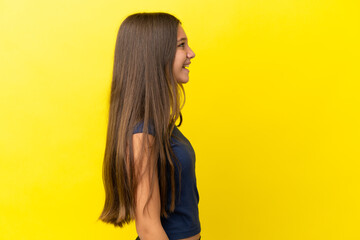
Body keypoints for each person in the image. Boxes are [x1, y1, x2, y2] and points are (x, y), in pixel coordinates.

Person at [98, 12, 200, 240]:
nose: (191, 53)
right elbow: (148, 228)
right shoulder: (143, 134)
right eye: (181, 46)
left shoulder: (160, 124)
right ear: (156, 56)